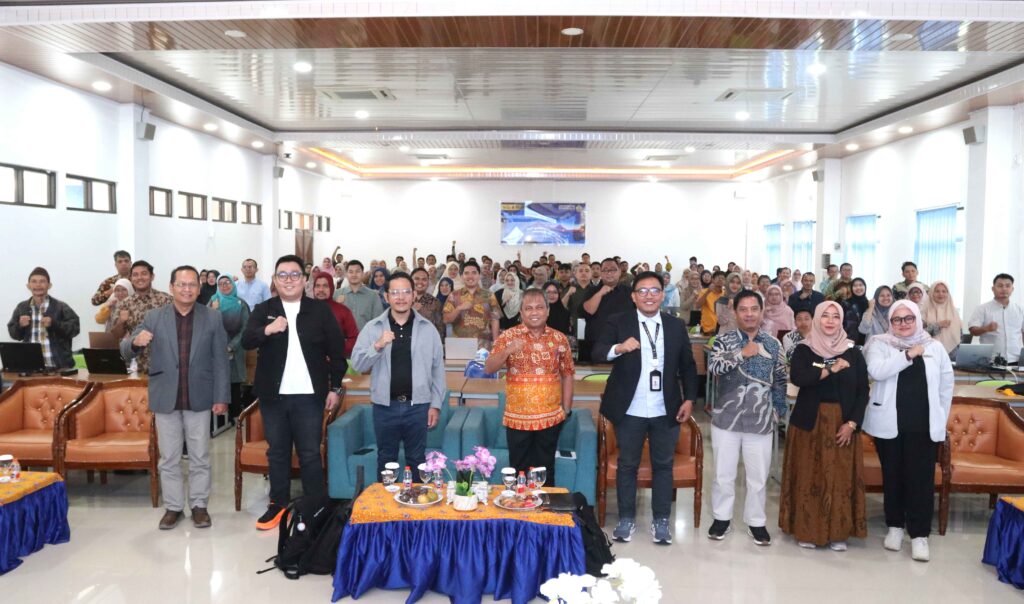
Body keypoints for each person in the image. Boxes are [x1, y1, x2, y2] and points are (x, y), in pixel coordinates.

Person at [241, 255, 348, 530]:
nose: (288, 280)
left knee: (309, 452)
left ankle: (315, 506)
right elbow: (246, 340)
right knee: (277, 452)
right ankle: (277, 504)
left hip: (309, 397)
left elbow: (337, 352)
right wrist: (268, 329)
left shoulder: (319, 311)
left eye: (294, 274)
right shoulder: (264, 309)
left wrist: (335, 387)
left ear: (304, 280)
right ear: (275, 280)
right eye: (283, 275)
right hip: (273, 396)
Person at [592, 271, 699, 545]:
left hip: (666, 408)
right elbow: (597, 351)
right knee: (627, 464)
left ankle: (661, 521)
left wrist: (689, 399)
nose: (649, 296)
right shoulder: (619, 321)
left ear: (663, 295)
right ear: (633, 296)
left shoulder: (675, 326)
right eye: (642, 291)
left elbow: (688, 366)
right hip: (630, 408)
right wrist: (619, 348)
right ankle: (626, 519)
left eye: (654, 290)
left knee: (663, 465)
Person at [121, 265, 230, 530]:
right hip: (165, 396)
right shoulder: (154, 317)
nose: (187, 289)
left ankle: (199, 506)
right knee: (169, 457)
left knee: (200, 456)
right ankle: (173, 507)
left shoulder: (212, 317)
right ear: (171, 287)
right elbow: (125, 349)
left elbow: (220, 360)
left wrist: (221, 397)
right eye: (181, 284)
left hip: (199, 396)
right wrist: (135, 343)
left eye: (192, 284)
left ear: (199, 288)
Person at [863, 300, 953, 562]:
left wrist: (940, 419)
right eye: (897, 319)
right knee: (893, 477)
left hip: (923, 426)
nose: (903, 324)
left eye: (908, 318)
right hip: (888, 424)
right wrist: (908, 355)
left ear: (917, 319)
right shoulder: (879, 343)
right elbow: (877, 371)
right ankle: (895, 526)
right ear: (890, 322)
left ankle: (919, 534)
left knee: (921, 480)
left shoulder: (934, 347)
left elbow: (946, 386)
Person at [780, 301, 868, 551]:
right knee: (809, 475)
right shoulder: (805, 349)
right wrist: (831, 368)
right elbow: (800, 377)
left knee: (839, 478)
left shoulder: (853, 352)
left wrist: (852, 423)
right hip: (809, 423)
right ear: (817, 319)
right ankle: (807, 530)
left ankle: (838, 533)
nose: (830, 321)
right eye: (825, 316)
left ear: (841, 321)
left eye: (835, 316)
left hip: (843, 423)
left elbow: (862, 391)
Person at [706, 290, 788, 545]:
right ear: (735, 312)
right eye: (743, 309)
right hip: (726, 419)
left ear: (761, 312)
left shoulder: (773, 344)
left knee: (758, 477)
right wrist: (742, 353)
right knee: (723, 474)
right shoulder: (723, 340)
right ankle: (721, 518)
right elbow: (714, 366)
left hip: (760, 420)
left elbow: (781, 380)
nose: (749, 314)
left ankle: (756, 522)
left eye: (754, 309)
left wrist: (777, 411)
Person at [350, 272, 446, 478]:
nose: (400, 297)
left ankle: (417, 499)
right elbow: (357, 364)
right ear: (386, 297)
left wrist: (435, 404)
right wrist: (377, 346)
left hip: (418, 406)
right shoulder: (373, 327)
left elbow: (438, 369)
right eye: (395, 292)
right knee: (386, 460)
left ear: (414, 295)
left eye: (406, 292)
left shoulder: (428, 329)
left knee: (417, 460)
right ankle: (385, 500)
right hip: (385, 407)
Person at [484, 288, 574, 483]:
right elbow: (489, 368)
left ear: (547, 311)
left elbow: (567, 374)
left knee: (545, 471)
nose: (534, 312)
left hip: (550, 418)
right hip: (517, 419)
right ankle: (520, 503)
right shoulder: (508, 336)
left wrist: (566, 409)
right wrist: (508, 350)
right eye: (529, 308)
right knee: (519, 471)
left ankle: (544, 503)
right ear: (521, 312)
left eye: (539, 307)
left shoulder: (559, 339)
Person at [8, 267, 80, 370]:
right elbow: (14, 334)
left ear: (49, 285)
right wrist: (20, 326)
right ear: (28, 286)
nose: (38, 285)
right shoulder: (22, 307)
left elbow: (75, 329)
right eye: (34, 281)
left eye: (42, 281)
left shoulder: (61, 306)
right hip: (31, 366)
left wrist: (54, 324)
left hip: (59, 367)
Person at [111, 261, 174, 374]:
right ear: (131, 278)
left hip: (166, 365)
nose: (139, 278)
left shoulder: (167, 300)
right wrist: (121, 321)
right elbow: (116, 335)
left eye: (144, 273)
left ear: (152, 276)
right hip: (138, 367)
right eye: (135, 275)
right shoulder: (125, 303)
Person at [209, 274, 250, 421]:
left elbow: (245, 328)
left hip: (235, 349)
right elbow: (206, 324)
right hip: (215, 350)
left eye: (227, 283)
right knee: (218, 383)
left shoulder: (241, 304)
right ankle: (219, 420)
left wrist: (231, 346)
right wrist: (214, 310)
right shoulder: (213, 301)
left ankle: (235, 418)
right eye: (221, 284)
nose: (224, 286)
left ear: (233, 284)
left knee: (234, 384)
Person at [582, 258, 635, 357]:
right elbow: (587, 311)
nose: (609, 273)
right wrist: (600, 293)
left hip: (624, 343)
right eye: (605, 270)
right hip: (597, 343)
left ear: (619, 272)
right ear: (601, 273)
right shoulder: (591, 291)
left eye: (613, 270)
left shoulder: (630, 292)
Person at [443, 260, 501, 347]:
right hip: (460, 345)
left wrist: (496, 343)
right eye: (466, 273)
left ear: (479, 275)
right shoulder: (454, 295)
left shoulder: (489, 295)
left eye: (474, 273)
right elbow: (446, 319)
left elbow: (495, 319)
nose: (470, 276)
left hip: (483, 346)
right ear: (462, 276)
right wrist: (459, 309)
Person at [968, 273, 1024, 364]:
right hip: (991, 360)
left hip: (1016, 360)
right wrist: (986, 328)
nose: (1004, 289)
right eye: (1000, 286)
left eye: (1008, 286)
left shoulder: (1020, 309)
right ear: (993, 289)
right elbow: (972, 330)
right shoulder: (982, 308)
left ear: (1012, 289)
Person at [311, 273, 358, 357]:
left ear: (331, 288)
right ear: (313, 289)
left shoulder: (343, 311)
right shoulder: (305, 310)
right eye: (317, 286)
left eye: (325, 286)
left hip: (336, 361)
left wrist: (336, 350)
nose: (321, 289)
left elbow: (354, 338)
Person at [337, 260, 384, 330]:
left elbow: (378, 322)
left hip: (366, 336)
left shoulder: (373, 296)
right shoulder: (337, 294)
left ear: (362, 273)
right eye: (351, 272)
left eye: (357, 271)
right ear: (346, 274)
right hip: (342, 336)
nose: (354, 275)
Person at [921, 280, 963, 358]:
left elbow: (960, 335)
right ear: (931, 293)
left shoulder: (954, 311)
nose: (941, 294)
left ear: (948, 293)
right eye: (937, 291)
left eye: (944, 291)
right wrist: (938, 325)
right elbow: (920, 334)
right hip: (929, 351)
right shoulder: (924, 311)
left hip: (952, 353)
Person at [410, 267, 444, 341]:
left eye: (424, 279)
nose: (420, 282)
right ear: (410, 281)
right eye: (417, 279)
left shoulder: (435, 302)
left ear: (428, 282)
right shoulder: (402, 301)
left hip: (428, 342)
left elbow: (440, 328)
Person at [696, 271, 726, 335]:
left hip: (721, 330)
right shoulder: (704, 291)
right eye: (718, 277)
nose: (720, 280)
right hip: (707, 330)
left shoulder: (725, 294)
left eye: (723, 278)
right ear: (713, 279)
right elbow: (697, 305)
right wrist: (708, 292)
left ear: (725, 282)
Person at [848, 278, 870, 345]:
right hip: (850, 341)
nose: (858, 288)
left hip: (867, 341)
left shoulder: (869, 304)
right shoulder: (846, 303)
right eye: (855, 286)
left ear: (865, 287)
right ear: (851, 288)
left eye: (861, 285)